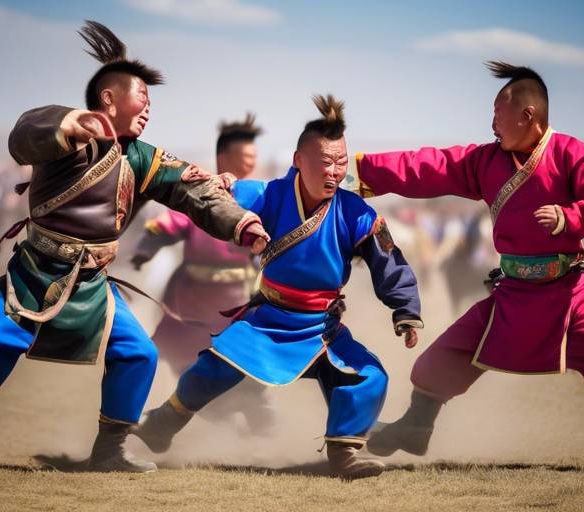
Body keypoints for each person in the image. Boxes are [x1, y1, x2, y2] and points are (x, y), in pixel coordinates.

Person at [0, 21, 268, 473]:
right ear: (109, 98)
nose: (149, 108)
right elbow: (26, 131)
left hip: (94, 283)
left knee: (139, 353)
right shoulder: (62, 136)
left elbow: (195, 192)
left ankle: (110, 450)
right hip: (35, 274)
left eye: (151, 101)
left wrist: (243, 224)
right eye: (142, 97)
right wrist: (71, 124)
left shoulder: (143, 157)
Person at [359, 62, 584, 470]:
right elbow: (429, 165)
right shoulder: (486, 161)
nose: (492, 124)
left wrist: (570, 217)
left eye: (497, 113)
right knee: (439, 358)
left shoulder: (575, 155)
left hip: (568, 296)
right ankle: (416, 427)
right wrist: (358, 170)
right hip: (511, 296)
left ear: (527, 115)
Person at [134, 95, 424, 479]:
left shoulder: (357, 213)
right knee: (215, 366)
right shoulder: (270, 194)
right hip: (267, 319)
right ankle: (161, 425)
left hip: (322, 328)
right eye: (325, 162)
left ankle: (343, 454)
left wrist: (406, 309)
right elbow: (224, 199)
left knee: (368, 377)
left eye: (341, 161)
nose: (335, 171)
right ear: (299, 160)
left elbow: (387, 260)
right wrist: (221, 187)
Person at [132, 114, 276, 435]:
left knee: (246, 361)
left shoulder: (264, 197)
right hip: (193, 300)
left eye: (253, 157)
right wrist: (147, 247)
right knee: (189, 362)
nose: (250, 162)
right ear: (223, 157)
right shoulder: (202, 191)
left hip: (241, 299)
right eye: (243, 156)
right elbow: (169, 224)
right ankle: (214, 415)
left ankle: (259, 416)